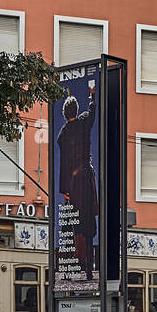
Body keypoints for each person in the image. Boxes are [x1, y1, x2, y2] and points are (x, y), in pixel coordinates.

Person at [56, 84, 98, 280]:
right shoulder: (83, 123)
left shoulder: (62, 135)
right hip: (86, 182)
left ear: (64, 114)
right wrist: (92, 95)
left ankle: (67, 271)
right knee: (88, 223)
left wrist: (64, 190)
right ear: (76, 110)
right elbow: (92, 111)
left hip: (72, 186)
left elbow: (63, 163)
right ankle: (89, 269)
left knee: (70, 226)